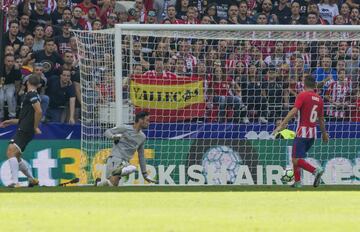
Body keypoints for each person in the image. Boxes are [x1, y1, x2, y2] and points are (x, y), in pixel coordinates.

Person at [273, 76, 329, 188]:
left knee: (295, 159)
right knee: (296, 157)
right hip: (313, 134)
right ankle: (297, 182)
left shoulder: (302, 95)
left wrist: (281, 125)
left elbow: (294, 110)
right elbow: (321, 119)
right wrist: (324, 134)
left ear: (304, 84)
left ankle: (315, 170)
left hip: (302, 132)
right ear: (314, 85)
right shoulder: (319, 98)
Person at [0, 74, 42, 187]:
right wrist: (10, 121)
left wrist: (35, 127)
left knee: (10, 151)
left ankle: (14, 182)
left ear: (27, 82)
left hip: (26, 129)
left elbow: (39, 111)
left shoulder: (32, 95)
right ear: (38, 85)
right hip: (24, 127)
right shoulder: (30, 95)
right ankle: (32, 179)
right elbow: (25, 118)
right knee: (16, 156)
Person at [96, 111, 157, 186]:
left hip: (125, 162)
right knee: (113, 183)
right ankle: (103, 181)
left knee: (113, 185)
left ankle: (99, 184)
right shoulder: (125, 128)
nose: (149, 123)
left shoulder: (142, 137)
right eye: (147, 120)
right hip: (115, 158)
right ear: (140, 120)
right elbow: (107, 131)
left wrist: (145, 174)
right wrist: (113, 137)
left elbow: (141, 156)